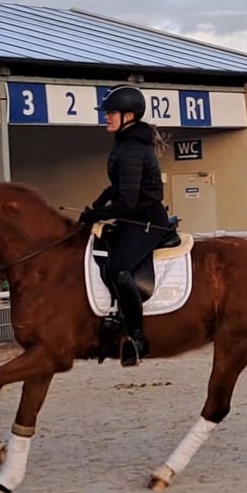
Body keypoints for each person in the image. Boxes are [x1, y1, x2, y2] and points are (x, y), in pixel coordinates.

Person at [79, 85, 171, 366]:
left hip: (145, 220)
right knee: (105, 257)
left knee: (119, 269)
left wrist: (100, 214)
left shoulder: (132, 147)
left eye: (111, 113)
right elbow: (118, 187)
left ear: (128, 115)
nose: (106, 117)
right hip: (134, 216)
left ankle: (137, 338)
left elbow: (129, 201)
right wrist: (97, 205)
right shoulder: (125, 142)